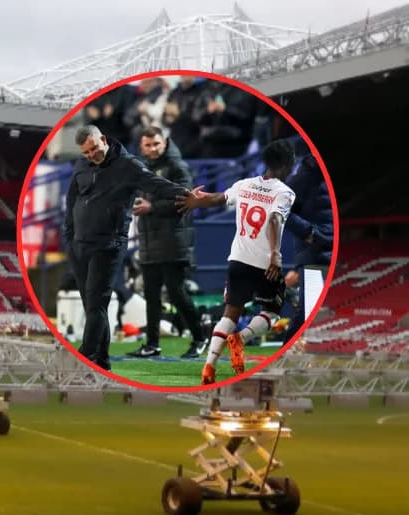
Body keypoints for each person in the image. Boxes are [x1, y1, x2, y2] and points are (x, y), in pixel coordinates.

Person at [63, 124, 192, 370]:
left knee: (97, 302)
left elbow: (156, 184)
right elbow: (72, 200)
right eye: (85, 153)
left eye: (93, 149)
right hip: (80, 244)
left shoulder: (128, 165)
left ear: (103, 139)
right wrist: (69, 237)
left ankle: (84, 356)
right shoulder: (81, 165)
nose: (91, 155)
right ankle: (102, 361)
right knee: (92, 306)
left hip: (108, 244)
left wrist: (187, 195)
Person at [177, 139, 297, 385]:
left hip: (237, 260)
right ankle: (240, 338)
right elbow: (274, 219)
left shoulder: (244, 184)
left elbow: (219, 198)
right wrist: (275, 253)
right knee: (271, 313)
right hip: (265, 263)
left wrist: (195, 201)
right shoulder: (285, 192)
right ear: (287, 165)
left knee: (229, 314)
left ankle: (209, 367)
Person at [126, 126, 208, 359]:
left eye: (156, 144)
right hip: (149, 241)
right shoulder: (141, 169)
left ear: (165, 142)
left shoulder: (176, 166)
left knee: (176, 292)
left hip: (173, 240)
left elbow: (187, 199)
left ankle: (200, 337)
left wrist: (152, 208)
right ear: (141, 146)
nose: (152, 149)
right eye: (148, 145)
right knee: (150, 295)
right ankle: (152, 344)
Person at [282, 152, 334, 340]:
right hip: (317, 253)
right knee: (308, 314)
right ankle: (284, 357)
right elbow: (278, 207)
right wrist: (310, 233)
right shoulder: (307, 173)